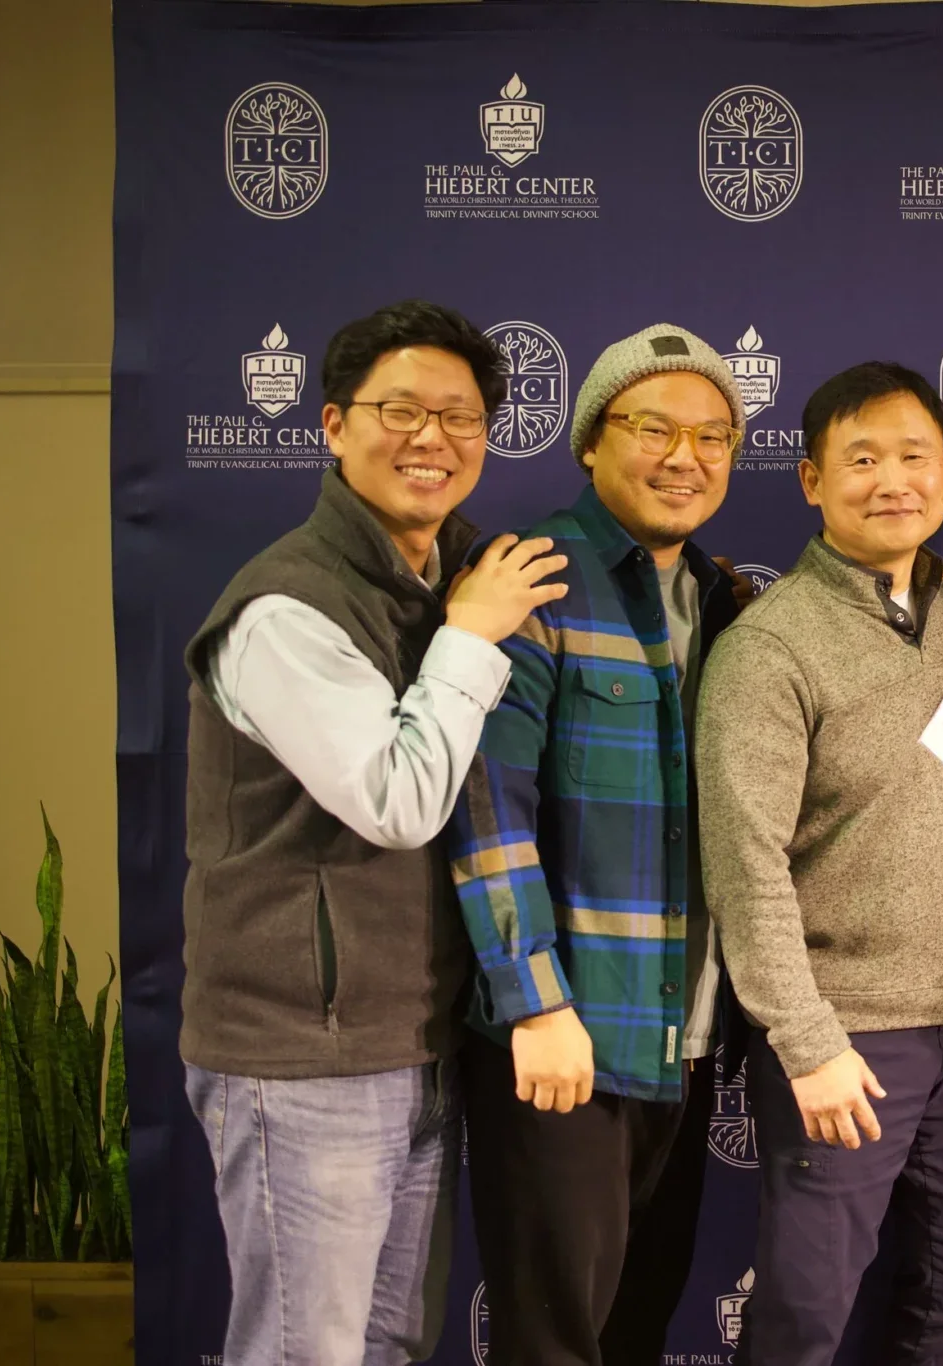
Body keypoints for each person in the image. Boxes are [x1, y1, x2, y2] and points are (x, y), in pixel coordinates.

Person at [180, 299, 567, 1366]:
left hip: (417, 1041)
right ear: (333, 423)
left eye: (460, 417)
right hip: (301, 1056)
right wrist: (471, 638)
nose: (431, 438)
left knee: (392, 1342)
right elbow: (396, 799)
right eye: (400, 410)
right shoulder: (285, 608)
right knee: (307, 1349)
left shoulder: (446, 576)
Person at [446, 323, 747, 1366]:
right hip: (567, 1043)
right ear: (589, 440)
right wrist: (533, 1000)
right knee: (553, 1341)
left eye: (712, 436)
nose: (684, 456)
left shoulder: (723, 600)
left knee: (637, 1329)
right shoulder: (532, 575)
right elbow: (487, 806)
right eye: (652, 427)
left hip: (683, 1041)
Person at [696, 362, 943, 1366]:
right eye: (861, 459)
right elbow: (743, 865)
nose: (891, 481)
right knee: (804, 1317)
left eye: (913, 456)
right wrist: (807, 1038)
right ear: (810, 481)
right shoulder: (770, 646)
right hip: (844, 1042)